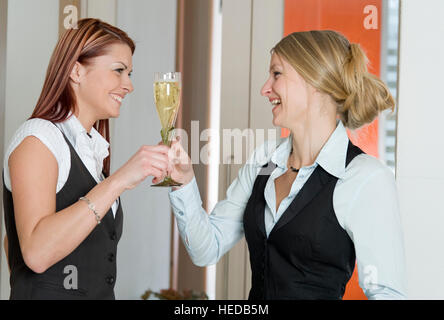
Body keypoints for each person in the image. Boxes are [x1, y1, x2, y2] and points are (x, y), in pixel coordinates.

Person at [167, 30, 407, 300]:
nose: (265, 88)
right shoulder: (264, 161)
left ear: (315, 82)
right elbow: (206, 248)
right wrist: (183, 182)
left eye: (277, 74)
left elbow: (387, 294)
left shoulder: (364, 177)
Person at [2, 18, 170, 299]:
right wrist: (118, 182)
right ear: (76, 71)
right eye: (119, 71)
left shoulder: (91, 149)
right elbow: (35, 253)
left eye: (129, 73)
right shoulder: (39, 138)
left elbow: (12, 241)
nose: (128, 85)